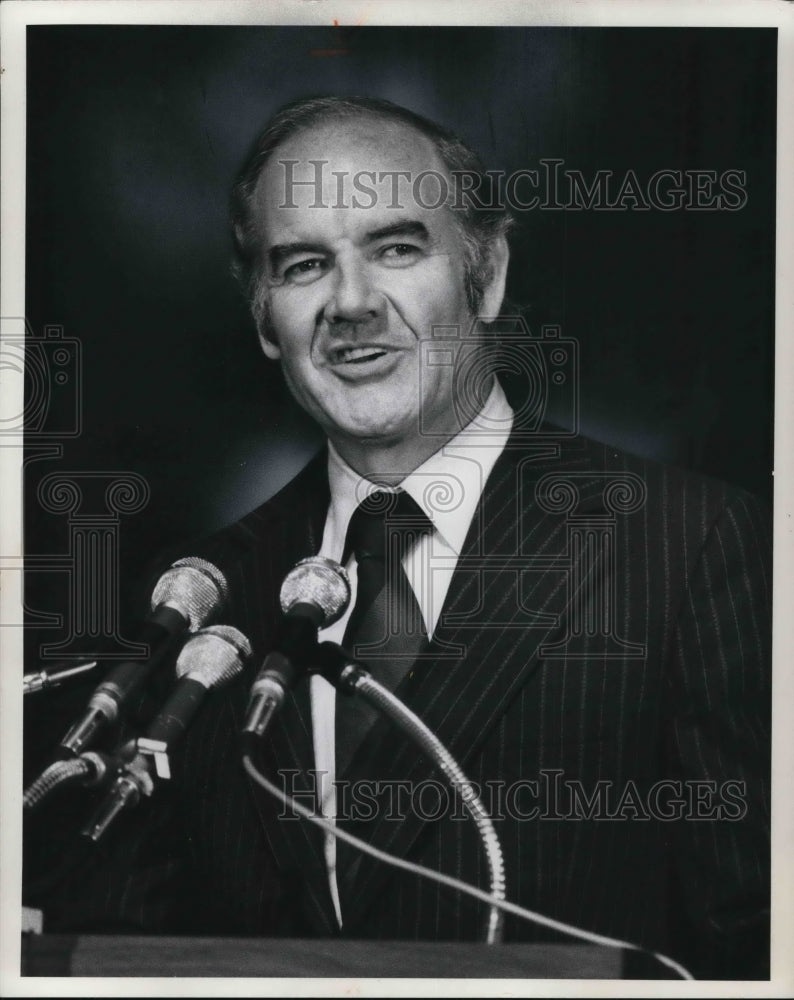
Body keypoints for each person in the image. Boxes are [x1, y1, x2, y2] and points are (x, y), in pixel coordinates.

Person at [31, 96, 771, 979]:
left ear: (487, 273)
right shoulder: (200, 595)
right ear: (266, 319)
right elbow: (134, 945)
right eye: (304, 264)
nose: (350, 304)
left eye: (395, 247)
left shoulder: (692, 546)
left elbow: (756, 944)